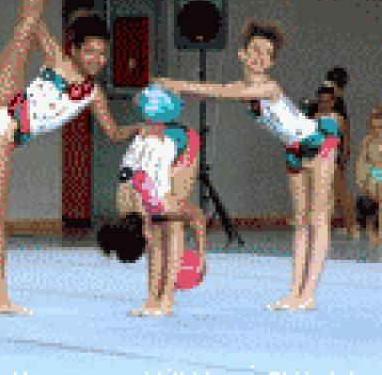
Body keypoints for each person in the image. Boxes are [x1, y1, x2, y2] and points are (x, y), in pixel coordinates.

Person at [0, 0, 140, 316]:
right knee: (26, 25)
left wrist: (142, 128)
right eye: (90, 52)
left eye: (102, 54)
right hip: (2, 104)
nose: (97, 60)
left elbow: (113, 133)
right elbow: (30, 17)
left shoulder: (94, 94)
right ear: (76, 50)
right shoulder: (59, 63)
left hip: (4, 138)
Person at [155, 20, 339, 311]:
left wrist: (176, 84)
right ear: (242, 54)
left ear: (272, 62)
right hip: (293, 150)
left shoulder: (268, 87)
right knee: (300, 222)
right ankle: (295, 293)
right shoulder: (241, 86)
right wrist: (175, 87)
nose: (260, 57)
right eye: (255, 50)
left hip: (318, 143)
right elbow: (213, 90)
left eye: (267, 53)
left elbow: (219, 93)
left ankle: (309, 294)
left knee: (318, 219)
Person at [98, 85, 206, 317]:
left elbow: (198, 217)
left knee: (172, 227)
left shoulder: (162, 204)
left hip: (183, 144)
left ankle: (166, 299)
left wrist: (202, 257)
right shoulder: (126, 204)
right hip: (147, 151)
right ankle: (152, 298)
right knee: (159, 235)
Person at [311, 81, 357, 237]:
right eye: (321, 101)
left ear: (333, 102)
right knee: (322, 194)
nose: (324, 104)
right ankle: (323, 226)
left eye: (327, 101)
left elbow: (344, 140)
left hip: (332, 159)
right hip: (318, 159)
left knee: (341, 193)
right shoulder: (314, 118)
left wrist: (343, 158)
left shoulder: (338, 118)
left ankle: (352, 225)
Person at [355, 105, 382, 245]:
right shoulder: (368, 140)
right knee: (372, 199)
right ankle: (371, 230)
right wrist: (361, 177)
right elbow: (362, 160)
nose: (377, 130)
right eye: (375, 127)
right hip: (374, 171)